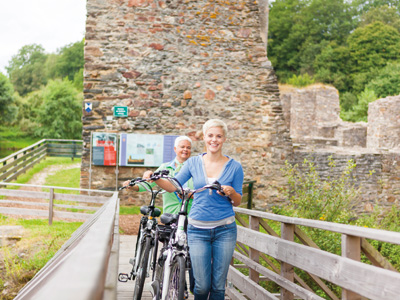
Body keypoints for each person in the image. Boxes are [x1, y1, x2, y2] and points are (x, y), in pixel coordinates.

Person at [149, 119, 244, 300]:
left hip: (225, 230)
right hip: (197, 229)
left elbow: (238, 201)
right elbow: (174, 185)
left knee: (217, 286)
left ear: (224, 139)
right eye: (210, 135)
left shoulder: (235, 167)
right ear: (204, 138)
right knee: (201, 286)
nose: (214, 140)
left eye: (218, 136)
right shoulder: (192, 163)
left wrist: (231, 193)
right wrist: (155, 179)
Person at [123, 135, 194, 214]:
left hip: (191, 213)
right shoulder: (165, 167)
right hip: (170, 213)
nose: (185, 149)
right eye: (182, 147)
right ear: (175, 149)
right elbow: (148, 183)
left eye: (188, 148)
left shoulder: (195, 168)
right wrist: (133, 186)